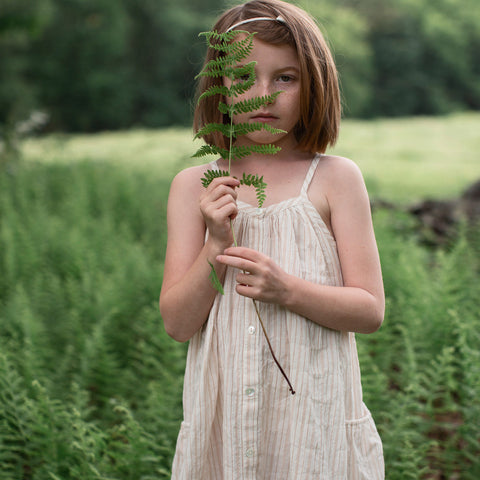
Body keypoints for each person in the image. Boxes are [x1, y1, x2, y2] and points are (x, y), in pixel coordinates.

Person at [159, 0, 385, 478]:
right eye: (243, 79)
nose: (263, 95)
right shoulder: (192, 187)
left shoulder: (335, 179)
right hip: (224, 430)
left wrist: (289, 291)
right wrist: (216, 245)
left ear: (314, 84)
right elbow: (178, 323)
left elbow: (369, 310)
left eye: (286, 78)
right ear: (220, 88)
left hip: (313, 426)